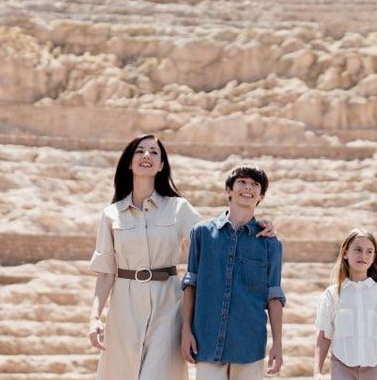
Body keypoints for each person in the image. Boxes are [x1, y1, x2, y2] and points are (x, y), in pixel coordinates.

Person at [86, 136, 275, 380]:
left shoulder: (178, 208)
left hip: (168, 304)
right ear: (129, 163)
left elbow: (216, 236)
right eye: (140, 151)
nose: (146, 156)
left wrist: (255, 222)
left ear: (162, 164)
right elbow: (105, 273)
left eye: (154, 152)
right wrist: (94, 318)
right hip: (123, 307)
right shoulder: (110, 214)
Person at [181, 164, 285, 380]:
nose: (248, 187)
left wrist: (278, 344)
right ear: (229, 190)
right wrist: (186, 331)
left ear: (261, 196)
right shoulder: (202, 234)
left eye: (255, 184)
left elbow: (274, 295)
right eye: (242, 182)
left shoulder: (270, 243)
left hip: (249, 344)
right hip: (206, 340)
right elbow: (191, 284)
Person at [314, 229, 377, 380]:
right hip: (341, 366)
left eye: (369, 251)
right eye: (358, 250)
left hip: (374, 368)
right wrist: (317, 371)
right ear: (345, 253)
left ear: (374, 257)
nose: (363, 255)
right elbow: (324, 336)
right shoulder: (332, 294)